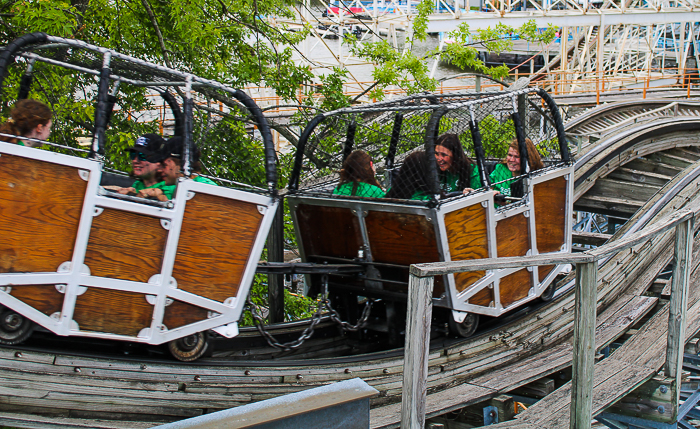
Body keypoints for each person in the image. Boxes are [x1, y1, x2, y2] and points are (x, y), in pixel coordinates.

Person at [141, 136, 217, 201]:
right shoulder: (172, 187)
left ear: (182, 165)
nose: (159, 170)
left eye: (164, 165)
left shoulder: (208, 190)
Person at [105, 134, 171, 199]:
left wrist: (131, 195)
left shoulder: (169, 188)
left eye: (142, 156)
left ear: (161, 164)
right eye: (133, 155)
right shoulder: (138, 184)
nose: (135, 160)